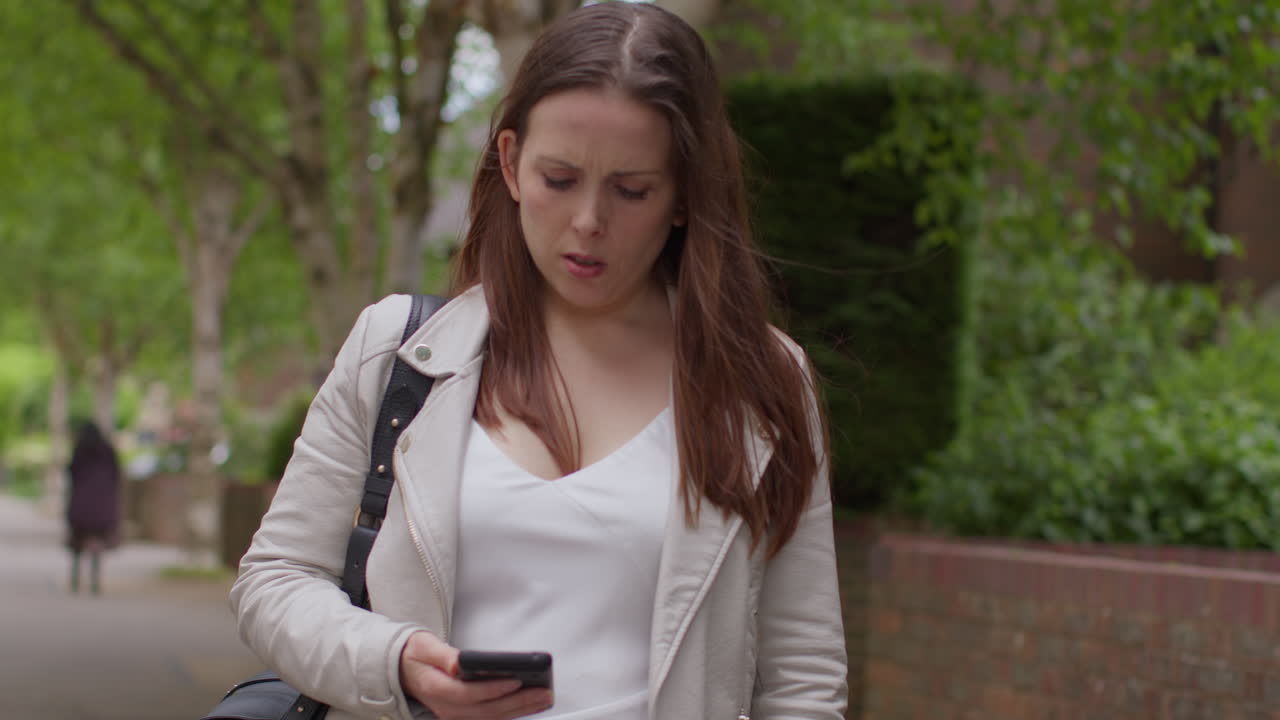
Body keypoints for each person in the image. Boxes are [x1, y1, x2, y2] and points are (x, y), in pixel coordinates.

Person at [231, 3, 847, 719]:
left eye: (631, 190)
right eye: (560, 179)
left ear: (684, 195)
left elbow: (802, 673)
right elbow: (275, 581)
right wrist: (394, 661)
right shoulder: (399, 354)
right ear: (511, 163)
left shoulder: (763, 381)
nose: (589, 221)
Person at [66, 420, 121, 595]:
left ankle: (75, 580)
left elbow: (72, 472)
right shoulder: (108, 450)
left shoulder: (79, 449)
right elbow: (116, 474)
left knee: (77, 542)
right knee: (97, 542)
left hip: (81, 503)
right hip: (102, 504)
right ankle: (95, 581)